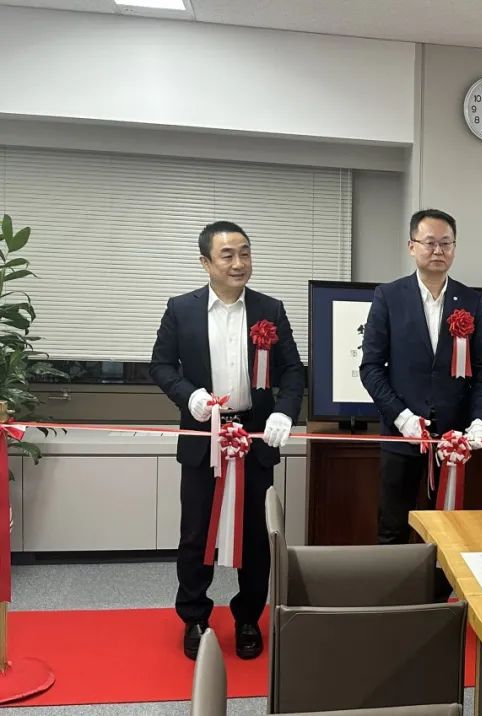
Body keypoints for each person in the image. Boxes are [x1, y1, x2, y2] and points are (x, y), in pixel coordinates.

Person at [150, 221, 304, 660]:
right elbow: (161, 366)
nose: (239, 263)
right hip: (204, 436)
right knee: (196, 533)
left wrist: (283, 411)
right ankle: (194, 616)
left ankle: (248, 617)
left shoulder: (270, 309)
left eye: (245, 253)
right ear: (205, 262)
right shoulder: (181, 309)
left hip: (255, 438)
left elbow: (293, 371)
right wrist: (189, 396)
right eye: (227, 255)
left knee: (256, 536)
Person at [360, 209, 482, 548]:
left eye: (446, 243)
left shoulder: (471, 301)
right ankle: (394, 586)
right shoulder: (389, 297)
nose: (438, 250)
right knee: (392, 529)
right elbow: (371, 367)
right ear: (412, 246)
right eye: (430, 242)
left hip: (454, 440)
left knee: (448, 534)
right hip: (401, 436)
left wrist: (480, 420)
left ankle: (439, 586)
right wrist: (402, 418)